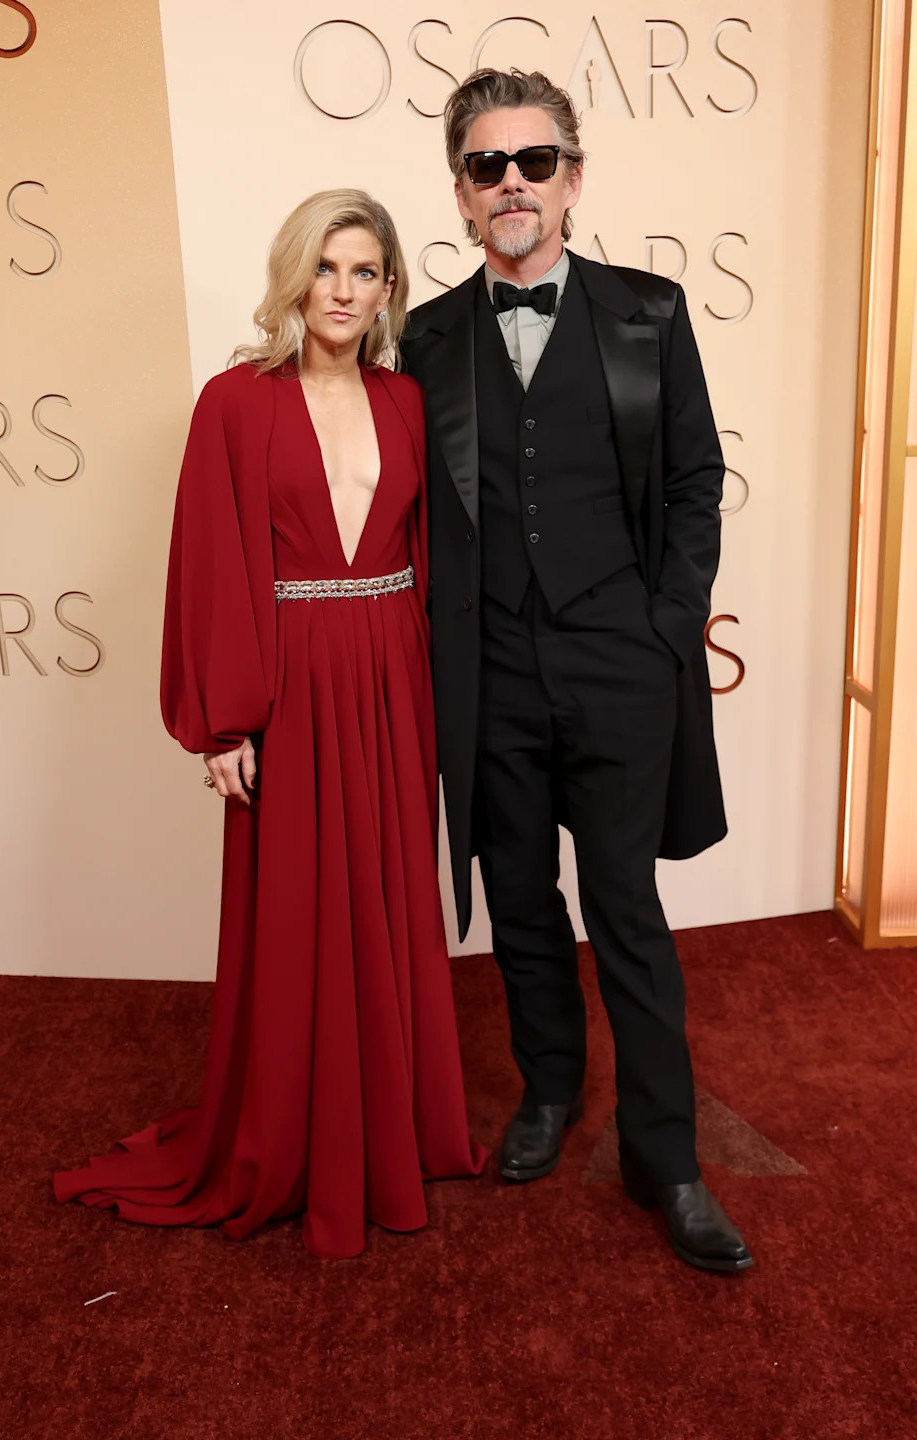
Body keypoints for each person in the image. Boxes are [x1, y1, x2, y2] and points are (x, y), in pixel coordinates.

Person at [54, 190, 486, 1259]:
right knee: (296, 909)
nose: (344, 291)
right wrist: (223, 726)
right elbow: (211, 564)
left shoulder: (405, 401)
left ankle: (395, 1124)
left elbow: (432, 556)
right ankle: (291, 1136)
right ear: (295, 276)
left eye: (366, 272)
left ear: (390, 289)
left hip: (392, 678)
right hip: (290, 686)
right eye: (327, 268)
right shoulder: (234, 403)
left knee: (388, 895)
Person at [400, 69, 752, 1273]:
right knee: (525, 908)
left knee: (627, 913)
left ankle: (671, 1161)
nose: (512, 183)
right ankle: (547, 1093)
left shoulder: (651, 313)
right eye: (487, 165)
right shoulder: (424, 338)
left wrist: (665, 624)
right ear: (459, 193)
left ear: (573, 178)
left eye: (533, 161)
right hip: (489, 671)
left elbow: (696, 480)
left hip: (620, 663)